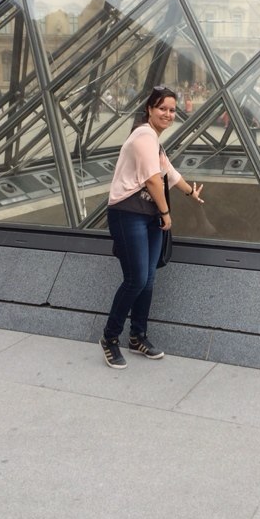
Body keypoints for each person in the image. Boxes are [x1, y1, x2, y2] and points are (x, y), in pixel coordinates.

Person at [101, 85, 205, 369]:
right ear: (149, 109)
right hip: (128, 214)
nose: (168, 114)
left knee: (147, 280)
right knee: (135, 280)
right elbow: (151, 179)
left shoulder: (153, 140)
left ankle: (137, 336)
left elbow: (168, 172)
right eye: (163, 109)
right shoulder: (144, 136)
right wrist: (166, 213)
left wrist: (189, 192)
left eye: (172, 110)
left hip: (145, 215)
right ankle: (110, 338)